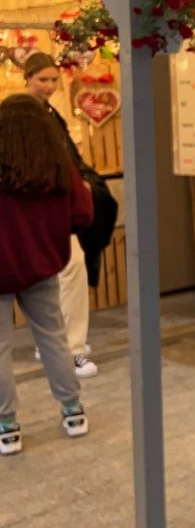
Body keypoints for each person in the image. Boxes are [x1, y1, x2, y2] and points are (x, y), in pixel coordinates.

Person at [0, 94, 93, 455]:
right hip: (42, 266)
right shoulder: (57, 165)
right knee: (53, 338)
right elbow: (83, 215)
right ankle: (73, 412)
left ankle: (7, 428)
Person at [22, 53, 99, 378]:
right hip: (41, 205)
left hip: (49, 204)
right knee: (71, 267)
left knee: (63, 274)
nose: (49, 86)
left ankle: (54, 344)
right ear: (27, 78)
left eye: (54, 79)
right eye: (43, 79)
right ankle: (70, 350)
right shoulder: (25, 114)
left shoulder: (49, 112)